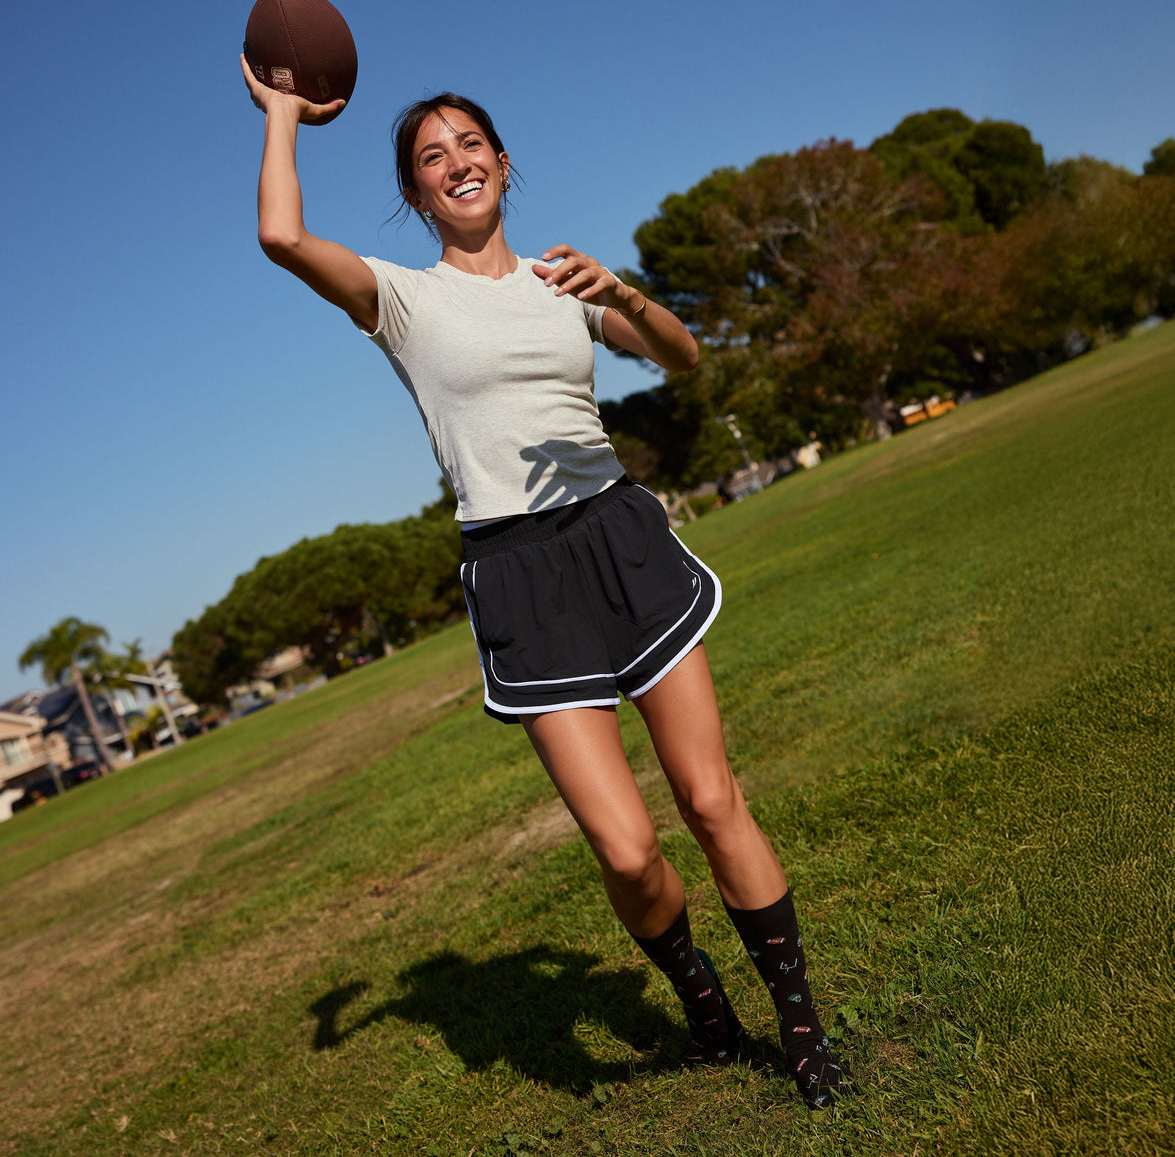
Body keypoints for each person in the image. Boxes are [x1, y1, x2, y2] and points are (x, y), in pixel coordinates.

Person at [240, 58, 855, 1110]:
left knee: (710, 801)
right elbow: (283, 239)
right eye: (431, 158)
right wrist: (285, 113)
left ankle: (797, 1029)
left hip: (618, 536)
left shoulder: (564, 283)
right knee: (624, 849)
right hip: (518, 571)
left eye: (468, 144)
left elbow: (685, 356)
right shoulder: (402, 299)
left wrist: (619, 290)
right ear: (417, 194)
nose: (455, 164)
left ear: (501, 163)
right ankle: (695, 987)